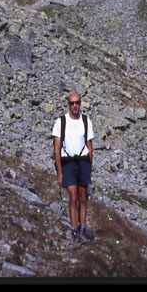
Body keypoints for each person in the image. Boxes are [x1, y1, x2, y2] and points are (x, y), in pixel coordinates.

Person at [53, 92, 95, 245]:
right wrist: (59, 172)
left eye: (77, 102)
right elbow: (56, 148)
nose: (75, 105)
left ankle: (83, 229)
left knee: (83, 197)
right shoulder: (61, 122)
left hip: (83, 161)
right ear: (68, 105)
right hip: (68, 162)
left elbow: (90, 146)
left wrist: (89, 167)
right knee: (73, 196)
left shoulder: (86, 121)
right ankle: (74, 230)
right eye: (72, 103)